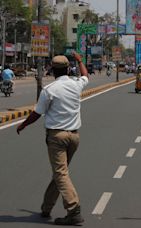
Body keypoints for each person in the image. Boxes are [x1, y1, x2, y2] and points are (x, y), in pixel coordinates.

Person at [16, 52, 89, 226]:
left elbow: (37, 113)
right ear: (68, 69)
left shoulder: (50, 90)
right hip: (74, 136)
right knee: (60, 173)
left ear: (52, 70)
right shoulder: (76, 85)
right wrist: (79, 60)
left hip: (57, 137)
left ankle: (74, 210)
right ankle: (46, 207)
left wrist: (23, 125)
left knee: (60, 174)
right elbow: (85, 76)